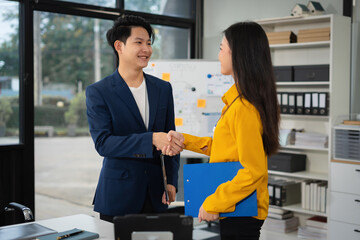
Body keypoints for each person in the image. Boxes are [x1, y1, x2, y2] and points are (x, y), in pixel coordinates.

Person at [163, 21, 280, 240]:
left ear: (238, 55)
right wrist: (185, 141)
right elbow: (228, 149)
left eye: (221, 48)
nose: (218, 55)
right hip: (238, 209)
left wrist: (214, 202)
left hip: (242, 212)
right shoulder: (238, 101)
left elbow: (252, 170)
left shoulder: (244, 107)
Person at [85, 14, 183, 223]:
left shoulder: (163, 89)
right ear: (119, 46)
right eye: (138, 42)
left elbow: (170, 137)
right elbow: (103, 144)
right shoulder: (98, 91)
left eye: (148, 43)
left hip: (157, 194)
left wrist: (172, 181)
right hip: (118, 197)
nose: (146, 49)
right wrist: (151, 140)